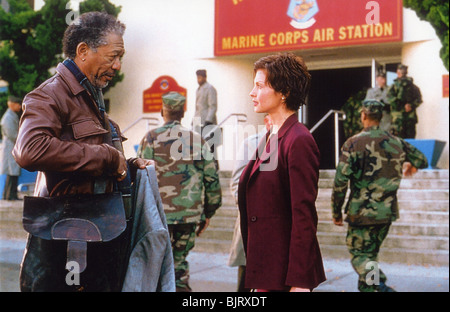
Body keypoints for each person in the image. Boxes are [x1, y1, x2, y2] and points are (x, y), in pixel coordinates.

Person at [12, 12, 152, 292]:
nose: (117, 65)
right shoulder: (49, 95)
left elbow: (92, 158)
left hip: (100, 236)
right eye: (113, 56)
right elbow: (29, 150)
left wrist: (130, 165)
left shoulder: (91, 98)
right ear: (83, 51)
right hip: (66, 245)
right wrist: (108, 157)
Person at [238, 53, 326, 292]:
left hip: (285, 276)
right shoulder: (272, 136)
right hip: (266, 270)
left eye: (259, 86)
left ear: (284, 92)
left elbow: (303, 215)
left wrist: (299, 281)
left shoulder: (298, 140)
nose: (252, 93)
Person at [331, 99, 428, 292]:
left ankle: (380, 286)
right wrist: (411, 165)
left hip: (361, 213)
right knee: (370, 256)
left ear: (364, 116)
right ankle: (370, 289)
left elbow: (340, 182)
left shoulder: (352, 143)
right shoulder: (396, 141)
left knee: (360, 255)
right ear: (381, 117)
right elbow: (423, 159)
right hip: (386, 213)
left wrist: (336, 212)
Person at [137, 91, 222, 292]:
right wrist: (208, 213)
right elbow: (212, 180)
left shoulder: (150, 138)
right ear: (183, 113)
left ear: (162, 111)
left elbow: (140, 177)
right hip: (188, 216)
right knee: (179, 264)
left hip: (157, 216)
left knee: (155, 265)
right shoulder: (198, 140)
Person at [227, 114, 271, 292]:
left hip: (281, 227)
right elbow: (238, 183)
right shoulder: (252, 143)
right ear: (267, 120)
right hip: (253, 224)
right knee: (247, 278)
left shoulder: (292, 141)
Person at [387, 64, 422, 138]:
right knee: (398, 141)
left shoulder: (413, 86)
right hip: (398, 118)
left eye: (404, 72)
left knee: (410, 139)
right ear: (397, 72)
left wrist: (411, 105)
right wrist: (402, 106)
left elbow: (419, 99)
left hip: (410, 118)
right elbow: (390, 98)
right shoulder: (393, 86)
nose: (402, 74)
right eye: (401, 72)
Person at [1, 95, 22, 200]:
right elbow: (12, 134)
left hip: (12, 147)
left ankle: (10, 194)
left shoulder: (12, 115)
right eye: (18, 105)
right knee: (11, 171)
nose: (20, 107)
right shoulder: (8, 117)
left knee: (13, 172)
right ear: (12, 104)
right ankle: (10, 195)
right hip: (10, 147)